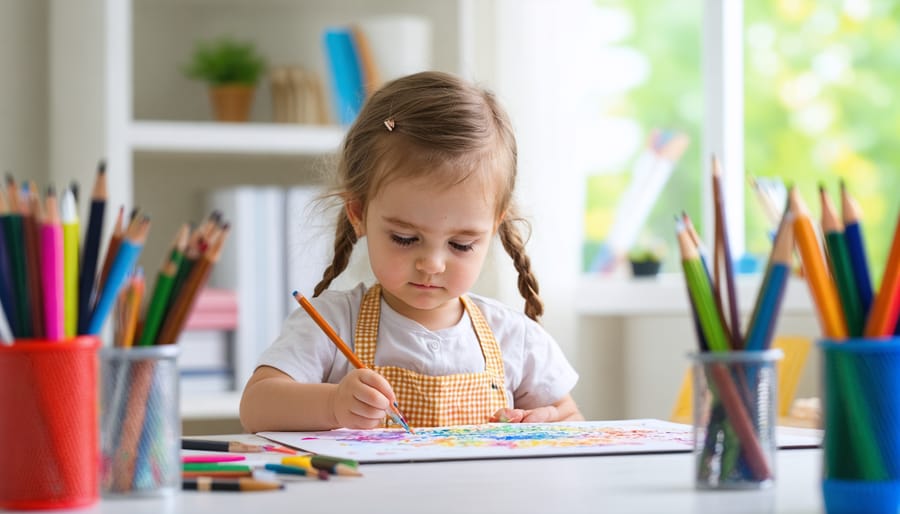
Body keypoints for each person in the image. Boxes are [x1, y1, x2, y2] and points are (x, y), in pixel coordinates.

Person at [240, 71, 582, 432]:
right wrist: (333, 404)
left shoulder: (515, 336)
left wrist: (544, 423)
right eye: (405, 238)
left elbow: (574, 422)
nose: (432, 264)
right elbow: (256, 407)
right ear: (359, 215)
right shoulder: (332, 324)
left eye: (461, 245)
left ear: (494, 227)